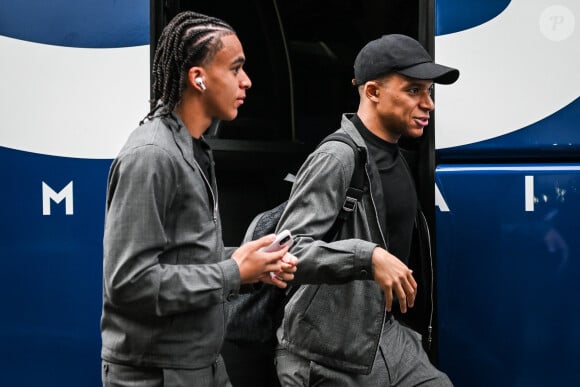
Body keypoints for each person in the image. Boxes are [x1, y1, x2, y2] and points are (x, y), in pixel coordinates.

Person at [100, 11, 297, 387]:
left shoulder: (192, 149)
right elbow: (129, 283)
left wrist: (250, 264)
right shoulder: (152, 156)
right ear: (198, 78)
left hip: (201, 365)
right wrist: (233, 271)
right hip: (156, 375)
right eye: (236, 69)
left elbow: (183, 260)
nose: (247, 81)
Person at [274, 34, 459, 386]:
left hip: (386, 337)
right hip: (325, 355)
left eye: (430, 91)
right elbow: (287, 250)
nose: (428, 104)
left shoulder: (397, 155)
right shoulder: (337, 157)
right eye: (414, 90)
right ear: (372, 92)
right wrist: (368, 257)